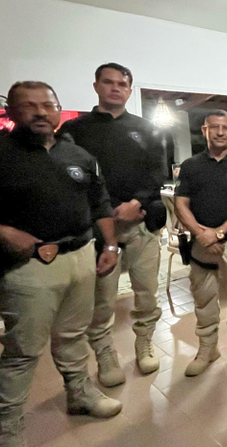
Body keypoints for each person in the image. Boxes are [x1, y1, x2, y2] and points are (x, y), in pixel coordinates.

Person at [0, 82, 122, 446]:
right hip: (27, 267)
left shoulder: (79, 156)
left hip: (80, 257)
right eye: (29, 106)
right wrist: (2, 232)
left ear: (59, 110)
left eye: (48, 104)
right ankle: (7, 428)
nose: (41, 112)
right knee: (23, 350)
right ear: (10, 112)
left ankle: (80, 394)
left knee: (73, 336)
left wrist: (110, 244)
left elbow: (100, 203)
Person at [58, 62, 165, 387]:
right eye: (109, 82)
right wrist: (108, 210)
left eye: (123, 84)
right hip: (100, 230)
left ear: (130, 90)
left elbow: (158, 171)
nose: (116, 88)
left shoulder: (147, 128)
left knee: (146, 291)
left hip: (141, 222)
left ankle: (144, 343)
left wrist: (137, 202)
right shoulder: (75, 131)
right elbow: (71, 179)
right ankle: (105, 354)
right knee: (102, 300)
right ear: (96, 86)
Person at [174, 110, 227, 376]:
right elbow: (180, 204)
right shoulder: (190, 165)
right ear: (205, 130)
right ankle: (207, 349)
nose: (220, 132)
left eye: (226, 128)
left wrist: (219, 233)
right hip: (200, 243)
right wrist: (202, 234)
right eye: (215, 127)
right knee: (203, 298)